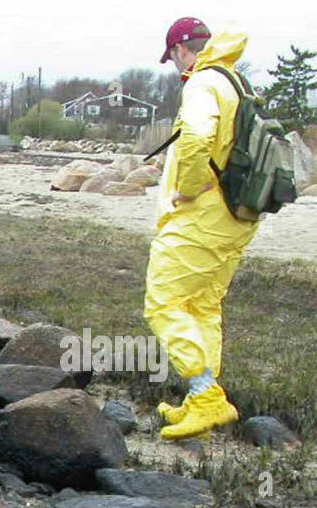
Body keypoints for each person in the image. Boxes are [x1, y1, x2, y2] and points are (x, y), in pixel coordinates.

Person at [145, 18, 258, 439]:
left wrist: (188, 189)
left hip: (203, 218)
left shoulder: (202, 82)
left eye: (172, 56)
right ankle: (202, 400)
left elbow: (194, 137)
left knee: (164, 304)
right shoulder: (236, 81)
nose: (174, 65)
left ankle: (206, 396)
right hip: (236, 216)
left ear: (178, 50)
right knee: (203, 307)